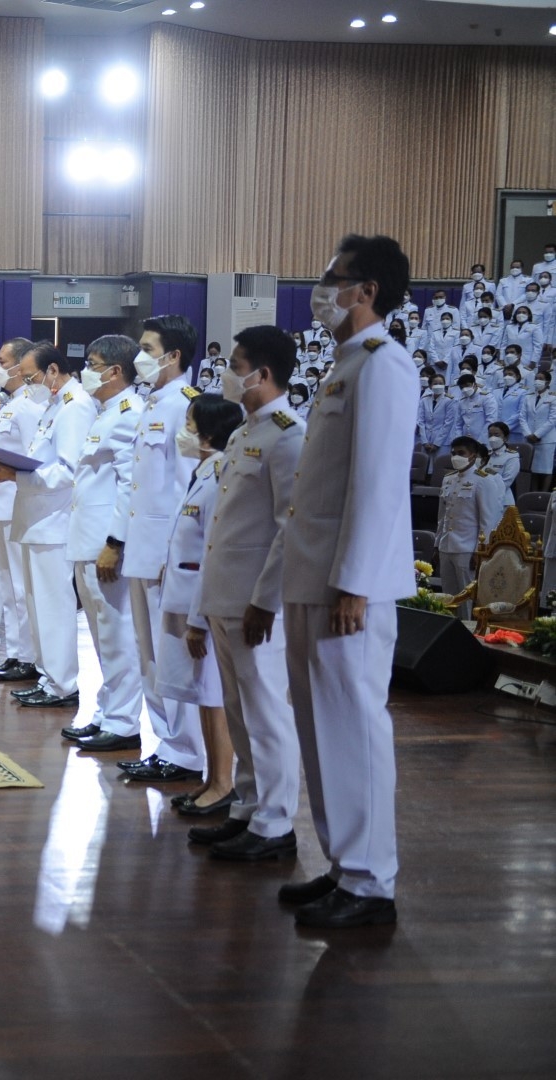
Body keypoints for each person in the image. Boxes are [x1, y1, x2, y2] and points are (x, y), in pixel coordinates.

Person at [278, 234, 417, 929]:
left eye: (331, 277)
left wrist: (356, 582)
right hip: (316, 576)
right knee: (320, 728)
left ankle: (370, 883)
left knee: (355, 728)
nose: (321, 287)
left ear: (365, 291)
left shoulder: (383, 365)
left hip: (347, 587)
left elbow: (379, 484)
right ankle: (342, 865)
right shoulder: (344, 366)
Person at [185, 326, 307, 862]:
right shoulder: (242, 435)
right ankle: (248, 809)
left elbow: (290, 527)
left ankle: (276, 823)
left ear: (263, 372)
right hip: (225, 595)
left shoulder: (289, 434)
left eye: (236, 364)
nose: (227, 373)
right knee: (239, 710)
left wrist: (267, 601)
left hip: (257, 602)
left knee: (266, 712)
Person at [111, 316, 206, 776]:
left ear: (174, 357)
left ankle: (188, 753)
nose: (139, 358)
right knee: (148, 654)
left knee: (173, 655)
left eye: (148, 349)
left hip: (168, 550)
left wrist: (180, 555)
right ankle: (167, 745)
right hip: (141, 546)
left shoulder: (186, 406)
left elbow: (190, 488)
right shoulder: (152, 401)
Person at [0, 344, 93, 710]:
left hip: (55, 519)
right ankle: (48, 677)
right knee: (37, 606)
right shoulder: (53, 404)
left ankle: (63, 685)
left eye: (32, 376)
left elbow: (68, 471)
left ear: (53, 370)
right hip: (36, 518)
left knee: (54, 608)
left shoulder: (75, 406)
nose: (29, 383)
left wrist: (17, 476)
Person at [161, 392, 244, 816]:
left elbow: (213, 552)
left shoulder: (220, 478)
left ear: (209, 434)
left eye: (191, 425)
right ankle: (212, 779)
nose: (184, 432)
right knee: (203, 695)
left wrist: (198, 620)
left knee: (215, 698)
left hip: (205, 607)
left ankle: (224, 784)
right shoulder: (203, 473)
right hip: (186, 600)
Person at [62, 336, 144, 749]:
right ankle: (107, 711)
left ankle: (125, 722)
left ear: (114, 371)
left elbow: (131, 485)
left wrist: (115, 541)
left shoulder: (130, 414)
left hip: (106, 544)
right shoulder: (105, 411)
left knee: (117, 633)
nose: (85, 371)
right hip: (87, 539)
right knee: (101, 636)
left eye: (92, 364)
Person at [0, 338, 40, 681]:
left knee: (20, 586)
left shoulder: (29, 407)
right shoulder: (8, 404)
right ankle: (14, 652)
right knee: (7, 584)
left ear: (20, 365)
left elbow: (34, 457)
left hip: (18, 500)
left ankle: (28, 656)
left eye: (2, 361)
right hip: (0, 501)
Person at [436, 436, 501, 606]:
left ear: (472, 455)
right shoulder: (448, 479)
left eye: (461, 453)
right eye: (453, 453)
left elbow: (488, 520)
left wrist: (480, 551)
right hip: (446, 545)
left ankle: (466, 630)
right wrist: (437, 544)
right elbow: (442, 516)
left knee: (466, 599)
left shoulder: (483, 480)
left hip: (467, 548)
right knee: (447, 598)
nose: (456, 457)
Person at [524, 371, 556, 491]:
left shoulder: (552, 398)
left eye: (540, 378)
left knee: (545, 469)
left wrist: (537, 434)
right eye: (536, 378)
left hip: (546, 438)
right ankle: (532, 494)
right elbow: (523, 417)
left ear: (547, 382)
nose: (537, 380)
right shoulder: (529, 396)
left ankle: (542, 495)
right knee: (532, 469)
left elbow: (552, 419)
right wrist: (528, 434)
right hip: (529, 437)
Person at [483, 421, 520, 509]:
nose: (492, 438)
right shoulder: (485, 454)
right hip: (484, 499)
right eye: (490, 435)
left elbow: (506, 482)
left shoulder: (511, 456)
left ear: (506, 438)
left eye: (496, 435)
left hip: (502, 502)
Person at [455, 372, 496, 443]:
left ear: (475, 384)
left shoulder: (487, 397)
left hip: (483, 441)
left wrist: (479, 442)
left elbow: (491, 420)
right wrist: (460, 440)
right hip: (466, 442)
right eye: (462, 387)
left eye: (467, 385)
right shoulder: (462, 401)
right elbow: (458, 424)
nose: (465, 389)